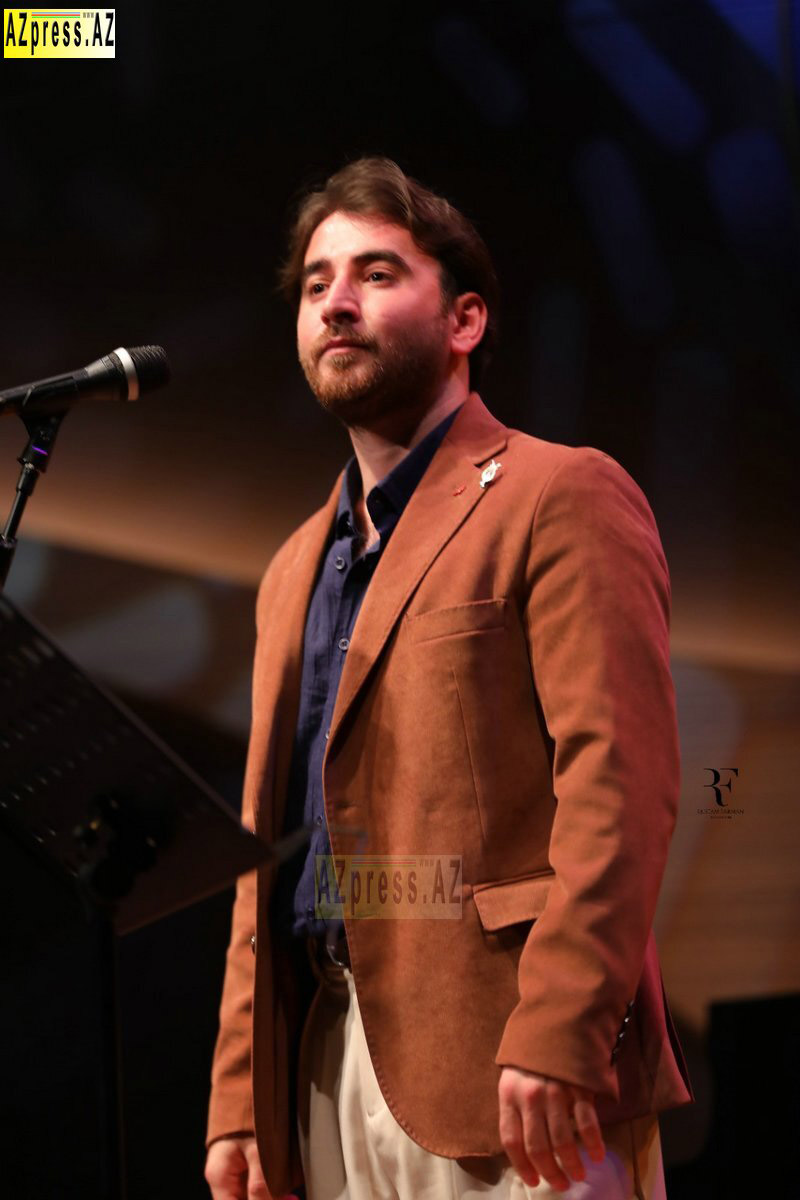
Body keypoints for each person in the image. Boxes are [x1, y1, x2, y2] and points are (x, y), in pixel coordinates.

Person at [204, 157, 692, 1200]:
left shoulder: (556, 494)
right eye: (316, 283)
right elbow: (268, 857)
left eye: (376, 273)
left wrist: (561, 1025)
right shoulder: (293, 567)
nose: (337, 301)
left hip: (512, 1058)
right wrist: (240, 1097)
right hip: (326, 1063)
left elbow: (619, 784)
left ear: (465, 319)